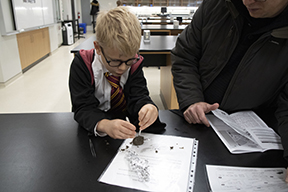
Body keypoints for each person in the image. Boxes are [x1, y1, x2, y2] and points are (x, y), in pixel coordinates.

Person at [171, 0, 288, 181]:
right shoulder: (217, 5)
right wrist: (192, 99)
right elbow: (185, 55)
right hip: (199, 123)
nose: (248, 1)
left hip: (254, 140)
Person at [69, 6, 165, 139]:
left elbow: (138, 95)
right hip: (93, 128)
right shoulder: (83, 65)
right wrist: (105, 125)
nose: (122, 68)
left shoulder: (134, 64)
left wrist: (148, 106)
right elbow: (82, 108)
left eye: (129, 60)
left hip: (122, 128)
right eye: (115, 61)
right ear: (98, 48)